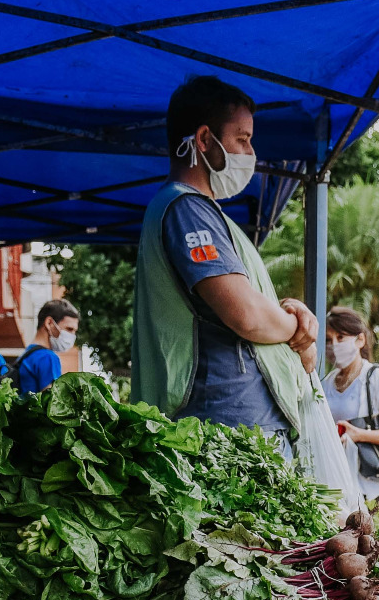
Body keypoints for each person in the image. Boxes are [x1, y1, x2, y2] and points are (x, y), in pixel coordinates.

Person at [130, 75, 317, 457]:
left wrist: (288, 310)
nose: (251, 152)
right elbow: (246, 314)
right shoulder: (187, 210)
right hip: (229, 428)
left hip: (240, 423)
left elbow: (250, 301)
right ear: (203, 140)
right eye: (242, 139)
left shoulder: (205, 213)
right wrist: (297, 329)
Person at [321, 307, 379, 502]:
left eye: (341, 337)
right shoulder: (327, 383)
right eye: (328, 340)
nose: (334, 345)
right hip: (337, 487)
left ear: (360, 340)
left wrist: (359, 435)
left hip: (372, 489)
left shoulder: (377, 378)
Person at [15, 299, 78, 396]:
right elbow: (54, 404)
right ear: (49, 323)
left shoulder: (27, 355)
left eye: (74, 331)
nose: (72, 336)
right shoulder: (47, 357)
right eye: (69, 329)